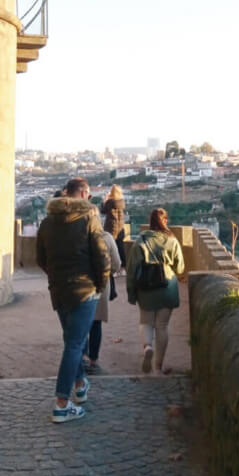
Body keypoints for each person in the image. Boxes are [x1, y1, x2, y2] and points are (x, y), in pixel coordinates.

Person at [36, 178, 110, 423]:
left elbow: (40, 258)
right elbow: (102, 256)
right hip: (85, 289)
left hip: (59, 291)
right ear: (86, 195)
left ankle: (80, 385)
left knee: (72, 341)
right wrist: (100, 283)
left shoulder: (47, 223)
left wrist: (56, 277)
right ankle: (61, 403)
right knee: (74, 344)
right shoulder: (89, 219)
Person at [126, 208, 185, 375]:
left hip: (146, 289)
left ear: (150, 222)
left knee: (146, 323)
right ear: (165, 221)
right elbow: (180, 268)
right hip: (167, 287)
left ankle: (147, 347)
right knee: (162, 326)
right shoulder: (172, 240)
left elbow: (131, 270)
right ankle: (158, 367)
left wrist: (131, 293)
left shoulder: (140, 241)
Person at [83, 224, 121, 374]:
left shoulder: (78, 238)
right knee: (96, 323)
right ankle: (93, 360)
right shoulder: (107, 238)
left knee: (81, 324)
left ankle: (82, 358)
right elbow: (116, 265)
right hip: (101, 285)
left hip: (81, 285)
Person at [101, 184, 127, 270]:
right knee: (120, 247)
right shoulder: (122, 202)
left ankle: (113, 267)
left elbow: (103, 211)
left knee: (111, 248)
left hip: (111, 228)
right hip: (120, 228)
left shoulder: (110, 202)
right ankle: (123, 266)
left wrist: (105, 200)